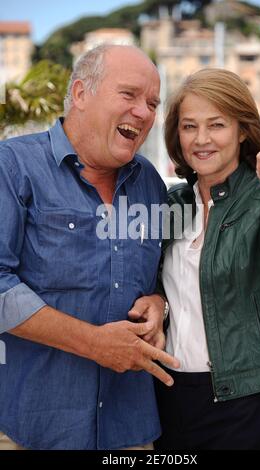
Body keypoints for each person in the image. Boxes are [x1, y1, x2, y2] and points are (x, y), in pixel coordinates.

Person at [0, 44, 180, 450]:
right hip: (29, 428)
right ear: (81, 94)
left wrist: (158, 301)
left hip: (130, 432)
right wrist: (95, 344)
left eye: (152, 102)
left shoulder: (150, 182)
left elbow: (158, 277)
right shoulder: (12, 166)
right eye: (129, 95)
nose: (145, 112)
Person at [129, 68, 260, 450]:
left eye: (217, 125)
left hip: (244, 400)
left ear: (242, 130)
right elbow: (153, 277)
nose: (201, 139)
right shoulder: (172, 203)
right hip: (169, 393)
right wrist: (157, 300)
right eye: (189, 126)